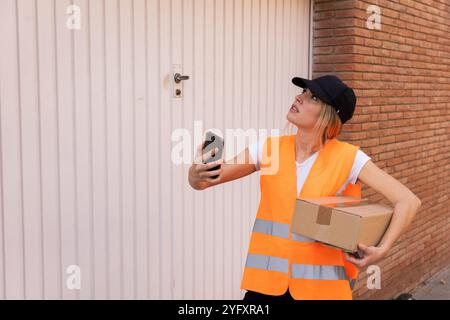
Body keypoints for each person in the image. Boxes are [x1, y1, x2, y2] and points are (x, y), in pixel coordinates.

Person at [188, 75, 422, 300]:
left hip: (321, 292)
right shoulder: (269, 149)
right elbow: (205, 181)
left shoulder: (350, 158)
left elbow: (408, 201)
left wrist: (383, 249)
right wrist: (196, 172)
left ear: (330, 115)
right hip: (266, 287)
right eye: (303, 92)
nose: (299, 97)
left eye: (314, 98)